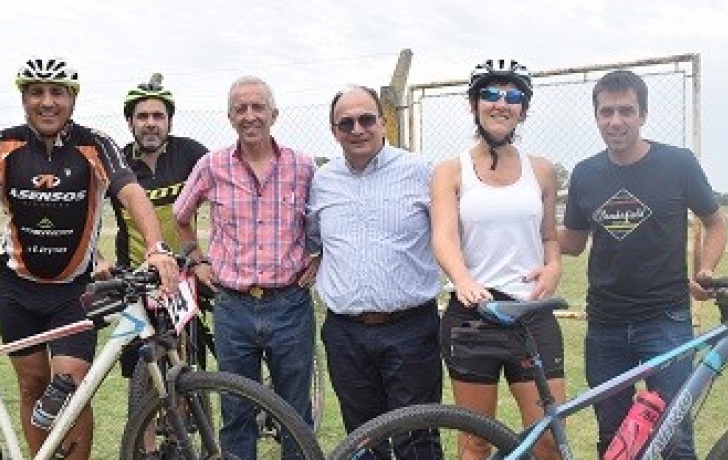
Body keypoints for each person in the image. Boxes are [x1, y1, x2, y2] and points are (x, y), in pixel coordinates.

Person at [0, 57, 180, 460]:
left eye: (57, 93)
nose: (47, 102)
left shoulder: (94, 145)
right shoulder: (5, 145)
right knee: (32, 385)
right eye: (36, 92)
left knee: (72, 385)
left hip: (73, 292)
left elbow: (131, 193)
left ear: (72, 100)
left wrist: (155, 248)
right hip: (15, 287)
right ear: (24, 99)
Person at [559, 69, 728, 459]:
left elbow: (715, 221)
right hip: (605, 324)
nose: (615, 121)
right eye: (606, 112)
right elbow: (572, 241)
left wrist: (705, 268)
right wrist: (523, 223)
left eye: (625, 111)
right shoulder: (586, 172)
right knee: (613, 436)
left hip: (665, 320)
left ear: (643, 115)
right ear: (597, 117)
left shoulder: (678, 163)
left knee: (675, 435)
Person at [172, 75, 318, 459]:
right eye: (241, 109)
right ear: (230, 117)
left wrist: (317, 257)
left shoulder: (303, 166)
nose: (250, 116)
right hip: (232, 307)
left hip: (289, 304)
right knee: (236, 411)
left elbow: (321, 221)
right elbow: (181, 215)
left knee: (294, 411)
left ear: (274, 114)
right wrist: (197, 259)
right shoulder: (212, 165)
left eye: (258, 107)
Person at [431, 59, 565, 460]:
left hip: (532, 314)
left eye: (513, 96)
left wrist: (554, 265)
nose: (501, 103)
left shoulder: (541, 170)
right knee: (475, 443)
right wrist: (462, 277)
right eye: (490, 94)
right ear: (474, 104)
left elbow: (548, 237)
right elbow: (444, 235)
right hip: (474, 316)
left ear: (523, 107)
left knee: (548, 439)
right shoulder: (450, 170)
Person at [307, 85, 443, 457]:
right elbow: (314, 239)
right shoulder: (322, 181)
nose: (357, 129)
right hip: (345, 333)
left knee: (417, 437)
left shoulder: (420, 172)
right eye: (345, 123)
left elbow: (448, 236)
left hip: (411, 329)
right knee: (363, 440)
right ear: (334, 131)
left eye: (366, 119)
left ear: (383, 122)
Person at [95, 73, 208, 387]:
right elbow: (83, 214)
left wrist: (205, 260)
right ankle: (142, 434)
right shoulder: (115, 161)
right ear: (130, 122)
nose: (150, 123)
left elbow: (226, 202)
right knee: (141, 374)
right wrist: (97, 258)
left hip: (184, 273)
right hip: (134, 277)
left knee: (190, 362)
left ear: (169, 121)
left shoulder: (191, 154)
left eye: (158, 115)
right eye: (142, 116)